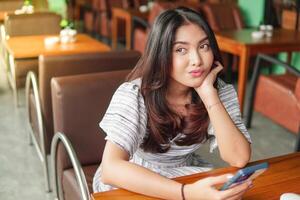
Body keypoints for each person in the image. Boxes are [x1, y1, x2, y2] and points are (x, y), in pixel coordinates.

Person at [93, 6, 252, 200]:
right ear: (161, 55)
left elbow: (239, 157)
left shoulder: (217, 90)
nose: (197, 60)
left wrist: (210, 98)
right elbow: (111, 168)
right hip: (133, 178)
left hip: (183, 174)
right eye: (181, 50)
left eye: (203, 46)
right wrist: (186, 194)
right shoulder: (135, 94)